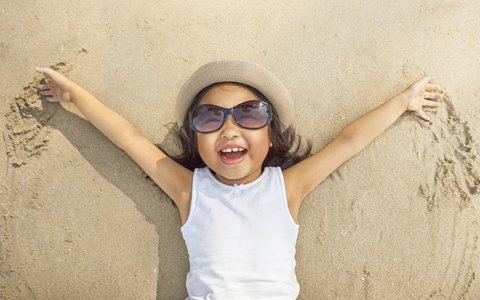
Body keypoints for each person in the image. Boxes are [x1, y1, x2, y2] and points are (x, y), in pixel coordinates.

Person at [35, 60, 442, 299]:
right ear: (196, 137)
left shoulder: (287, 187)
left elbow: (348, 143)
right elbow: (131, 140)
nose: (229, 130)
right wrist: (76, 97)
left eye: (248, 114)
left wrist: (402, 102)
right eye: (211, 118)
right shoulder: (189, 190)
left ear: (270, 135)